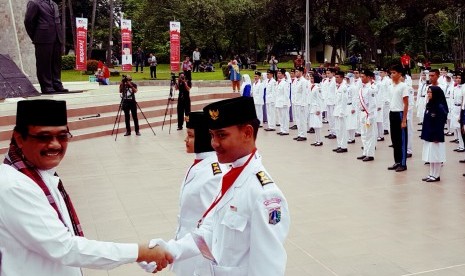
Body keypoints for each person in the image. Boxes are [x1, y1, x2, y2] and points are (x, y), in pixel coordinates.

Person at [0, 99, 173, 275]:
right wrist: (139, 252)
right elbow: (64, 247)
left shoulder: (42, 175)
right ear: (19, 138)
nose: (55, 144)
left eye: (62, 136)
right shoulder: (14, 187)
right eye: (43, 137)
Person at [152, 97, 290, 275]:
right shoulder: (231, 176)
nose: (214, 143)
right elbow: (209, 232)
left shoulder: (265, 195)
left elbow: (267, 268)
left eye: (222, 135)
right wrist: (169, 250)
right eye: (212, 135)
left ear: (247, 133)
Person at [172, 111, 225, 276]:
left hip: (198, 258)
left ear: (203, 137)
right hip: (184, 248)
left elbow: (212, 225)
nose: (186, 140)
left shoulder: (213, 174)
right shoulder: (198, 164)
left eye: (191, 135)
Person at [24, 0, 69, 94]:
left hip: (57, 37)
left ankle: (57, 84)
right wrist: (36, 36)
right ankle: (46, 86)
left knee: (56, 63)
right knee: (44, 64)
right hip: (43, 37)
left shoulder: (54, 4)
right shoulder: (34, 3)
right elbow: (28, 21)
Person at [421, 86, 449, 182]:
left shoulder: (439, 107)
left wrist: (436, 135)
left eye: (430, 92)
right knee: (430, 156)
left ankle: (436, 175)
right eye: (428, 92)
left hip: (435, 135)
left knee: (436, 156)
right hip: (428, 134)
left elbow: (440, 123)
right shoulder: (429, 104)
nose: (428, 94)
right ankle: (431, 173)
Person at [388, 65, 409, 172]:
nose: (392, 75)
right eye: (391, 73)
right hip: (392, 113)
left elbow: (406, 104)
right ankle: (397, 161)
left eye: (394, 73)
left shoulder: (403, 86)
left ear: (400, 74)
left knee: (402, 140)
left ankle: (403, 163)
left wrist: (404, 120)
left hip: (400, 114)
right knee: (394, 140)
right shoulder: (391, 86)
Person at [356, 70, 378, 162]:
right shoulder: (362, 89)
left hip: (369, 114)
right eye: (361, 76)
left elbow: (373, 104)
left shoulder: (371, 89)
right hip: (362, 113)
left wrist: (370, 116)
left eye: (363, 76)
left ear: (369, 78)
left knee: (370, 135)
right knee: (364, 134)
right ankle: (365, 152)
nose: (361, 78)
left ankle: (370, 154)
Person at [275, 68, 291, 136]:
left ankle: (285, 130)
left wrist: (285, 103)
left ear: (283, 75)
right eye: (278, 73)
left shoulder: (285, 83)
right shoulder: (277, 82)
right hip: (278, 102)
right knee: (280, 117)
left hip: (284, 102)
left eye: (280, 73)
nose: (278, 75)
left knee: (285, 117)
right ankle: (282, 129)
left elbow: (286, 94)